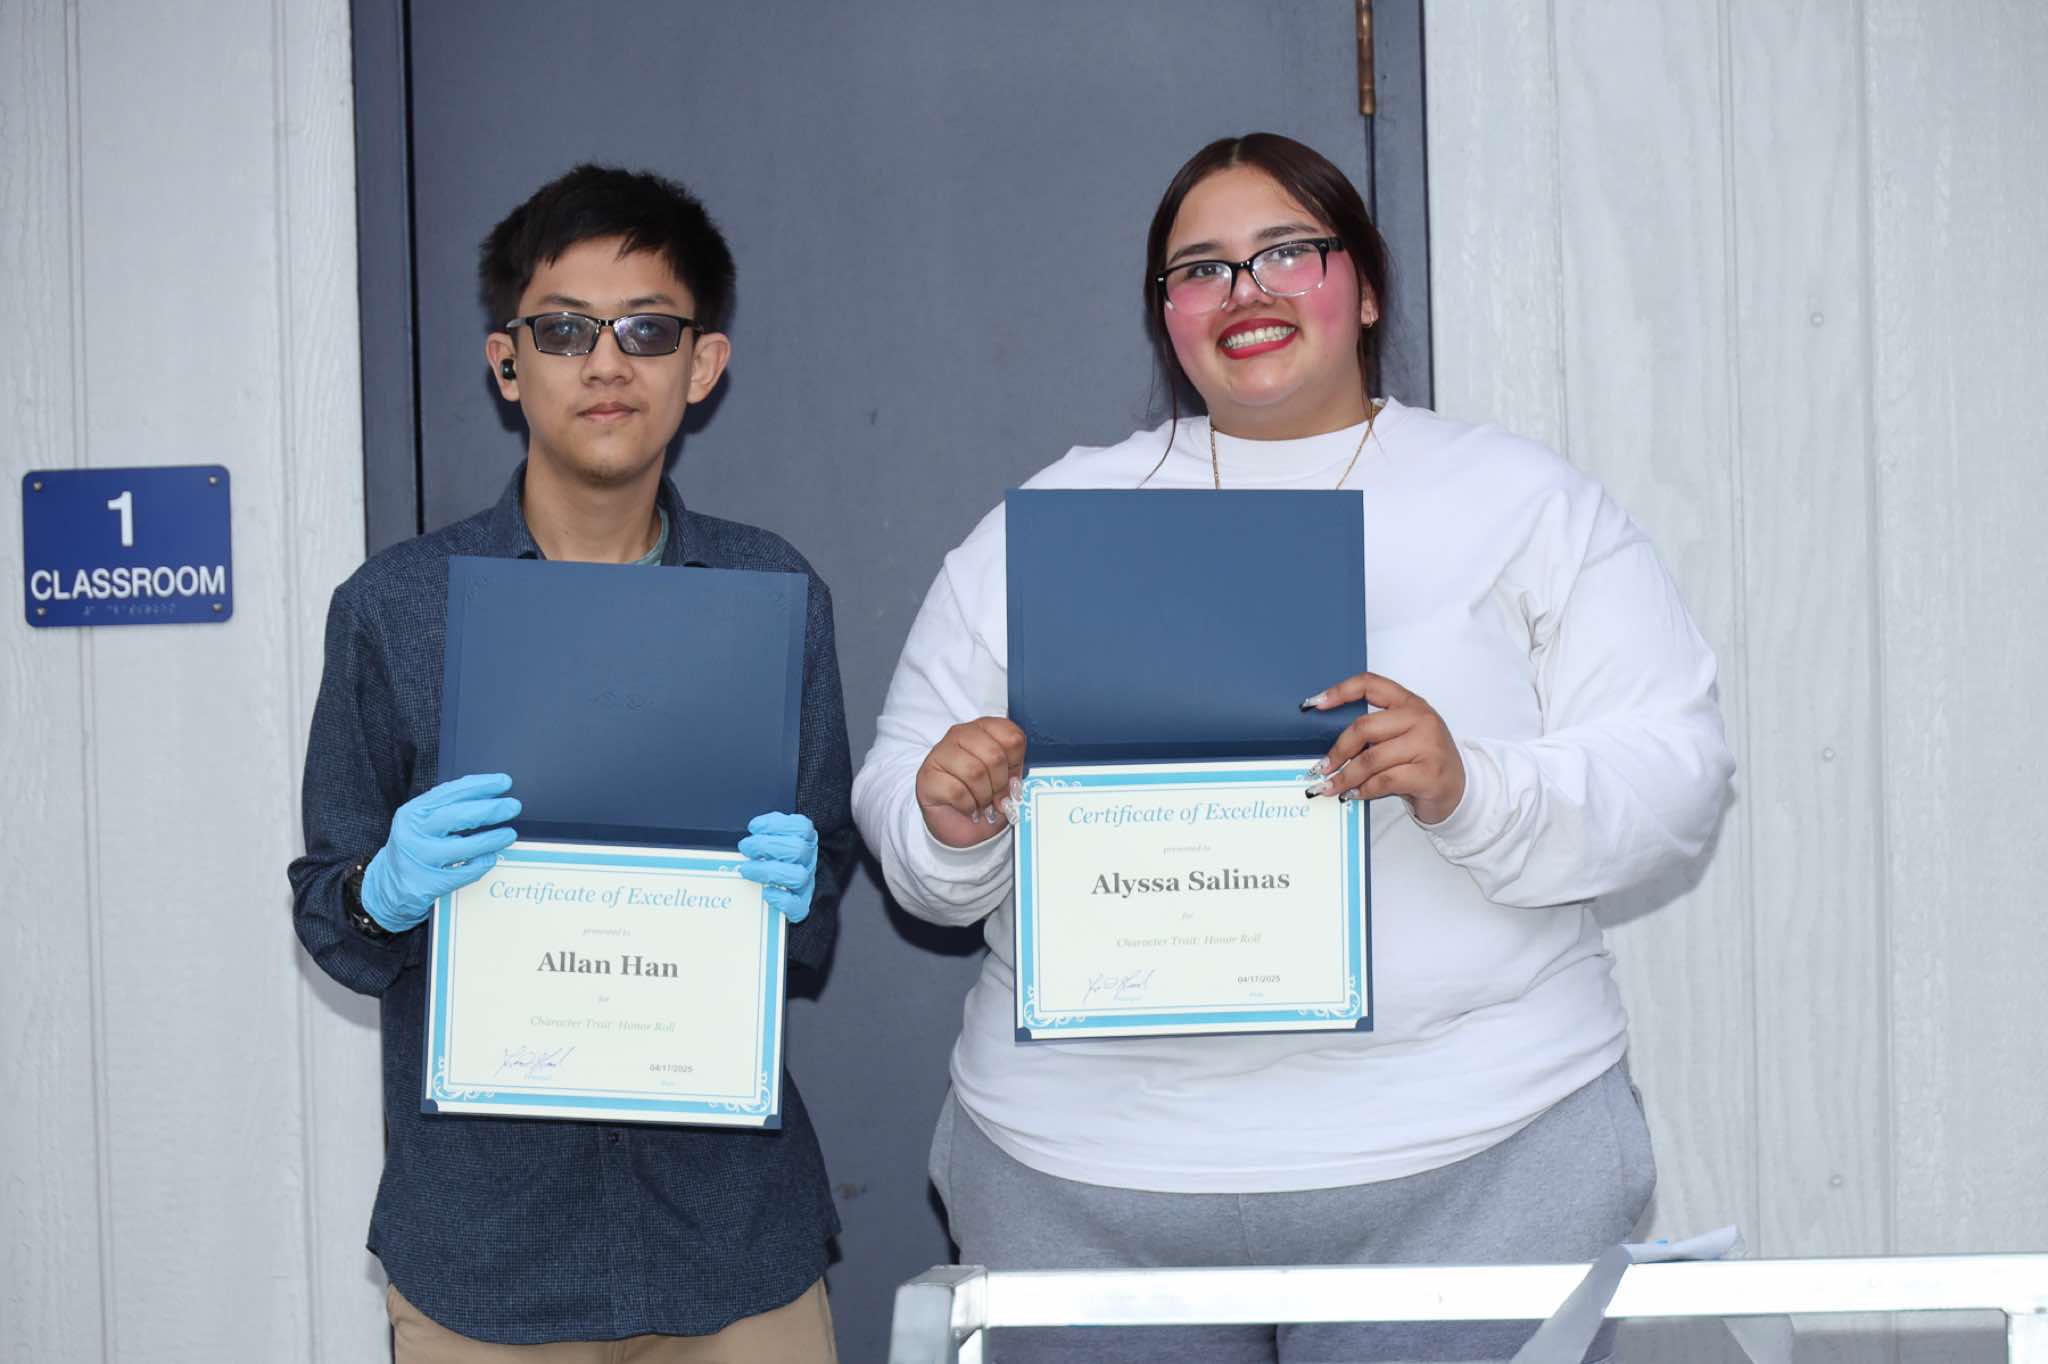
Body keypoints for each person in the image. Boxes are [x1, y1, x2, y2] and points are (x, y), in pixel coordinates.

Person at [850, 132, 1734, 1363]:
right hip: (1082, 1183)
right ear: (1164, 312)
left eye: (1286, 252)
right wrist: (950, 823)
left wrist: (1470, 784)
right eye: (1198, 268)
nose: (1244, 290)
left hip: (1476, 1166)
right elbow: (905, 796)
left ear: (1363, 285)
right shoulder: (1048, 518)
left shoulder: (1520, 500)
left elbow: (1676, 773)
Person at [289, 165, 851, 1361]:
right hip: (483, 1259)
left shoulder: (771, 593)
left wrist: (804, 891)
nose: (605, 363)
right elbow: (332, 916)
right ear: (506, 363)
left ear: (702, 365)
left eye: (647, 330)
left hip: (734, 1242)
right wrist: (384, 889)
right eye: (562, 331)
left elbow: (816, 908)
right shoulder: (395, 607)